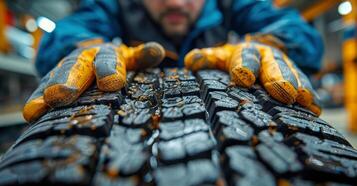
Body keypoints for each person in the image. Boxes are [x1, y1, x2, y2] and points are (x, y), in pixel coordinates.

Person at [23, 0, 324, 122]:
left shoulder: (231, 2)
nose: (176, 3)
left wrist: (264, 45)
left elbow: (302, 34)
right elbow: (63, 35)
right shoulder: (115, 4)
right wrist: (85, 47)